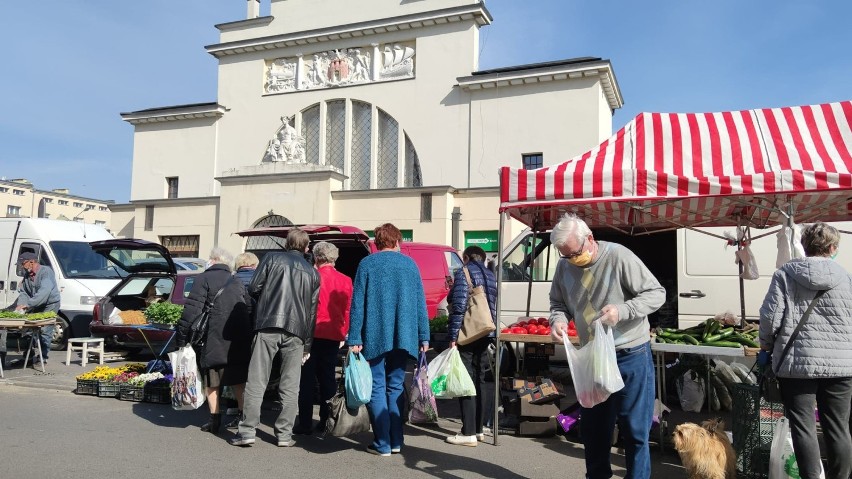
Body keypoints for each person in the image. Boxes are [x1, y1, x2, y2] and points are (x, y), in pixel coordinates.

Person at [548, 213, 664, 479]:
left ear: (590, 239)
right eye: (564, 256)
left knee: (635, 431)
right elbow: (557, 302)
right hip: (594, 358)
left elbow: (656, 293)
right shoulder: (564, 266)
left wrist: (622, 311)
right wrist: (558, 320)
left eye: (574, 254)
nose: (570, 260)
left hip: (629, 354)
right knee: (594, 432)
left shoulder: (619, 256)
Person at [758, 222, 852, 479]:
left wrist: (765, 345)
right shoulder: (846, 277)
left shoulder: (785, 275)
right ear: (833, 248)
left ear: (805, 246)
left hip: (797, 365)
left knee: (803, 428)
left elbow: (769, 318)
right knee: (838, 428)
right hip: (841, 366)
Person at [230, 228, 320, 447]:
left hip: (268, 324)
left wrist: (265, 303)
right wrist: (307, 344)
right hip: (297, 331)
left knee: (257, 379)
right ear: (306, 247)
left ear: (287, 243)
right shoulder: (312, 272)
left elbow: (253, 287)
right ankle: (284, 435)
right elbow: (311, 312)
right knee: (291, 385)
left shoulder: (271, 258)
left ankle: (248, 431)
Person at [347, 223, 430, 457]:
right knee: (395, 386)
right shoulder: (410, 265)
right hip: (404, 336)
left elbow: (357, 305)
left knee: (376, 387)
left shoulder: (367, 264)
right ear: (396, 241)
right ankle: (396, 441)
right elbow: (420, 304)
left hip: (374, 335)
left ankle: (382, 442)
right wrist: (424, 334)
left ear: (377, 242)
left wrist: (355, 336)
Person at [175, 247, 252, 435]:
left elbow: (191, 311)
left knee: (213, 380)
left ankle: (214, 420)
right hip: (237, 340)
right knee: (238, 382)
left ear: (214, 260)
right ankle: (243, 420)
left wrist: (181, 338)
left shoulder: (203, 279)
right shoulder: (236, 280)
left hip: (213, 338)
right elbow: (249, 307)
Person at [294, 241, 353, 434]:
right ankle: (326, 420)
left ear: (317, 257)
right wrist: (344, 332)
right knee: (327, 377)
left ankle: (304, 423)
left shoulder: (311, 276)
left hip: (311, 333)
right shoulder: (345, 280)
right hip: (333, 333)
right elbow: (348, 309)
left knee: (307, 379)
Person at [445, 245, 498, 447]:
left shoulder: (464, 272)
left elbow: (458, 306)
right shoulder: (490, 275)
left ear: (466, 257)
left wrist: (453, 336)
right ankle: (478, 429)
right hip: (486, 330)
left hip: (468, 332)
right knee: (480, 378)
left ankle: (467, 432)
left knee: (465, 378)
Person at [12, 252, 61, 367]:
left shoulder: (45, 272)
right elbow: (24, 292)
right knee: (28, 329)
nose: (21, 266)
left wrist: (28, 304)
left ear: (31, 262)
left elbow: (44, 291)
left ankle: (43, 357)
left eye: (23, 263)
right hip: (36, 304)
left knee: (45, 331)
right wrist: (21, 305)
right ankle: (28, 357)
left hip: (50, 304)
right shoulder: (27, 275)